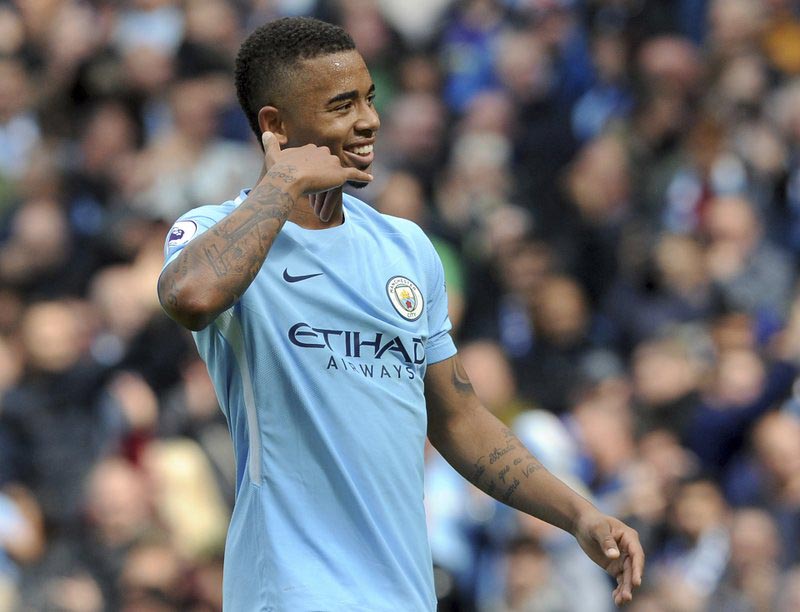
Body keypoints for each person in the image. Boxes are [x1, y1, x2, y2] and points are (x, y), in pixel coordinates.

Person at [157, 16, 644, 611]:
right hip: (291, 591)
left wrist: (579, 515)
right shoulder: (215, 233)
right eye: (342, 105)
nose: (369, 120)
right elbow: (190, 297)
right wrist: (280, 185)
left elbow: (460, 418)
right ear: (276, 125)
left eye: (369, 98)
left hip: (403, 593)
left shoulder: (406, 248)